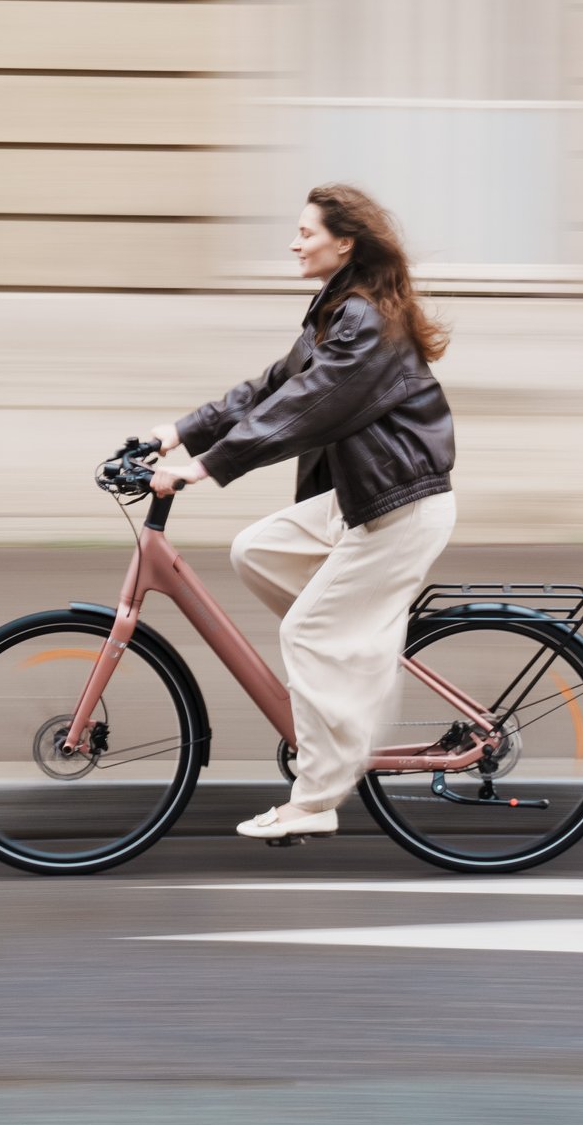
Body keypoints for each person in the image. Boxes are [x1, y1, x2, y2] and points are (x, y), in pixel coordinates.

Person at [147, 183, 458, 843]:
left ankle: (315, 800)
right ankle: (354, 656)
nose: (294, 242)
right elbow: (268, 388)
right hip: (364, 500)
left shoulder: (366, 322)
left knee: (308, 635)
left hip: (400, 508)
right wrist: (173, 434)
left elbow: (304, 406)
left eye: (306, 232)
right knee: (255, 549)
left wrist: (204, 468)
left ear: (344, 243)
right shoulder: (339, 312)